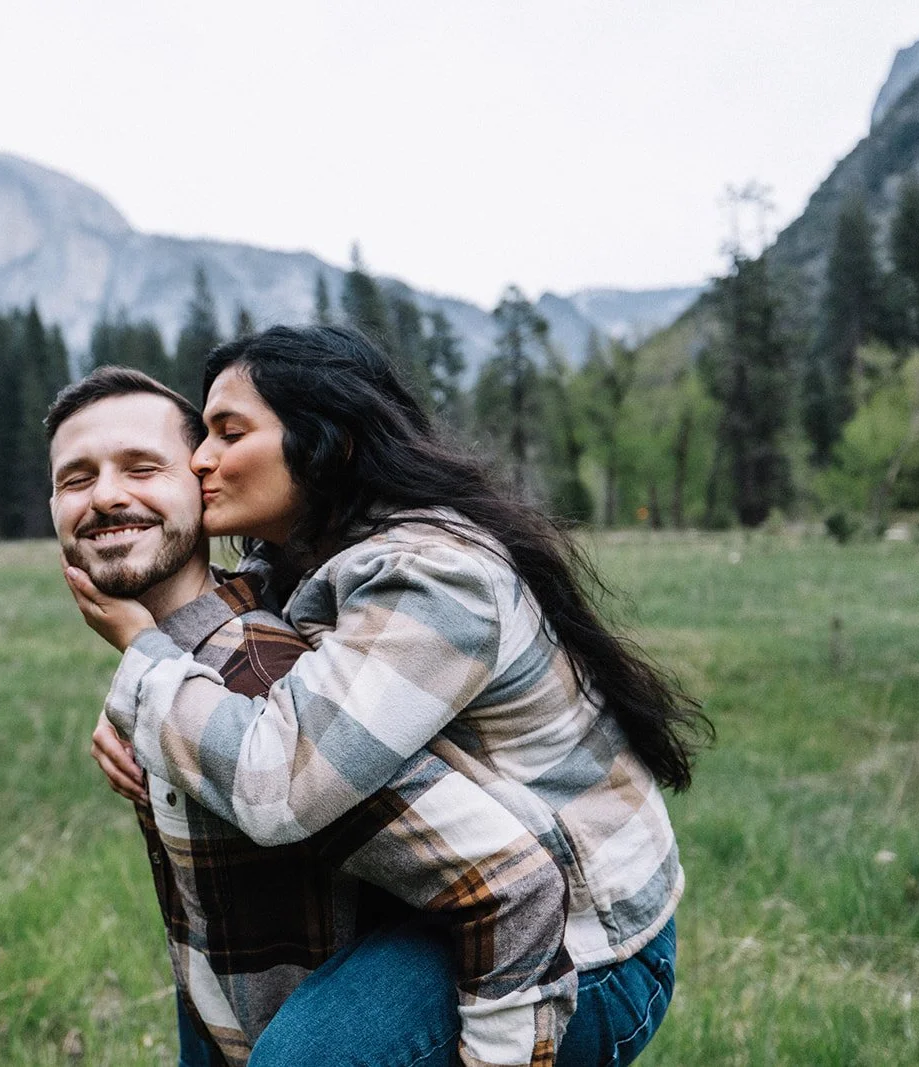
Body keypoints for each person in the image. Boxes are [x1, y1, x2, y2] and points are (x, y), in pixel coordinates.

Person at [64, 326, 710, 1066]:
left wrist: (143, 662)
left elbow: (283, 782)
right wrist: (150, 713)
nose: (200, 457)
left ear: (327, 444)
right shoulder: (299, 556)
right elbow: (243, 667)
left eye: (228, 432)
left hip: (583, 939)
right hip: (448, 897)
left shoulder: (433, 577)